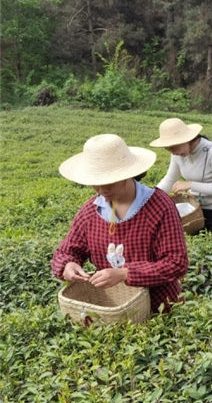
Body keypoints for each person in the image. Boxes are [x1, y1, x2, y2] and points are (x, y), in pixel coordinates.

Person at [51, 134, 188, 314]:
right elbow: (67, 251)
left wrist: (125, 273)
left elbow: (176, 263)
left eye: (108, 182)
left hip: (161, 306)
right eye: (96, 183)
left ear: (127, 174)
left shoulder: (159, 206)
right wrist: (68, 265)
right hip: (112, 309)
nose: (101, 190)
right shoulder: (90, 212)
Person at [150, 117, 212, 232]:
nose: (174, 153)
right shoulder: (177, 155)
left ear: (186, 139)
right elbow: (169, 179)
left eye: (174, 148)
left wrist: (190, 185)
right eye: (169, 150)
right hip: (194, 211)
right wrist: (152, 197)